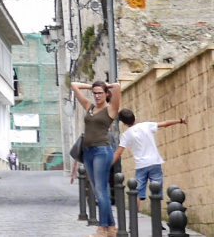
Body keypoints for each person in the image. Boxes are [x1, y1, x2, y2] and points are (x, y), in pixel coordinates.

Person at [71, 79, 121, 237]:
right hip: (87, 152)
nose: (97, 96)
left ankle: (102, 228)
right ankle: (112, 228)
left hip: (102, 151)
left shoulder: (111, 109)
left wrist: (109, 86)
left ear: (106, 94)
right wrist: (93, 86)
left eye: (100, 93)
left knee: (101, 190)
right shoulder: (90, 107)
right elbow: (74, 85)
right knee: (98, 190)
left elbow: (118, 87)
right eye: (95, 93)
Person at [112, 108, 187, 201]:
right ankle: (156, 214)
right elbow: (165, 123)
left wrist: (109, 165)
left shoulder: (126, 135)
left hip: (141, 166)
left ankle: (134, 214)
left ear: (123, 123)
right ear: (134, 117)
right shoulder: (146, 125)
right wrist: (180, 121)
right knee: (156, 193)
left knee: (137, 193)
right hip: (155, 163)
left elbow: (118, 152)